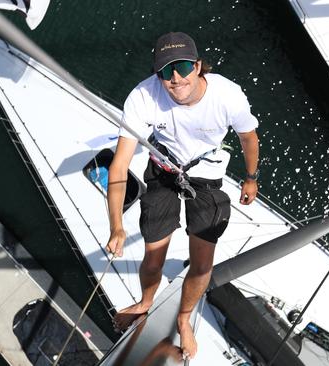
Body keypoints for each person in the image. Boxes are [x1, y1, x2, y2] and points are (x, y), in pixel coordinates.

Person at [106, 31, 260, 360]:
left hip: (207, 177)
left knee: (203, 265)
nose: (176, 79)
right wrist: (116, 226)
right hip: (164, 171)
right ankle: (146, 302)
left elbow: (249, 138)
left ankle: (184, 318)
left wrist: (250, 178)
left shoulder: (228, 96)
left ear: (199, 66)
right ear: (157, 74)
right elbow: (119, 166)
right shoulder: (142, 97)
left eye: (184, 68)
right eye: (165, 72)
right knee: (153, 256)